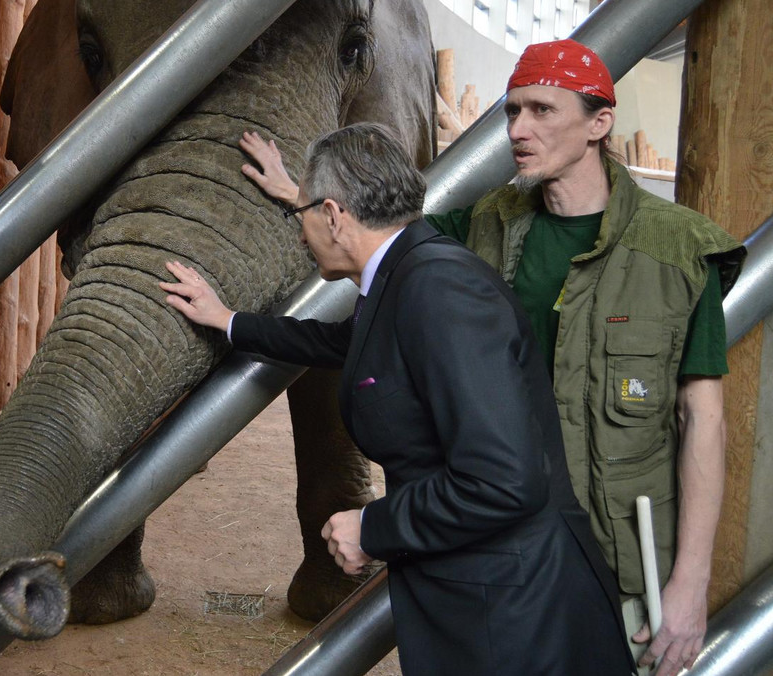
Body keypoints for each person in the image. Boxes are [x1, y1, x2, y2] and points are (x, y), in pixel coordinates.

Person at [240, 40, 745, 676]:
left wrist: (690, 586)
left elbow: (702, 421)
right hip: (510, 558)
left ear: (600, 122)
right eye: (511, 113)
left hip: (625, 556)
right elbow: (378, 233)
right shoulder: (488, 226)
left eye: (541, 110)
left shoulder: (678, 252)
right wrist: (303, 197)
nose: (517, 130)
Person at [162, 122, 633, 675]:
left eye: (302, 215)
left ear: (334, 215)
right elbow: (345, 342)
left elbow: (505, 479)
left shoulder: (440, 291)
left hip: (515, 619)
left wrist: (375, 527)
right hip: (481, 600)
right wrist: (229, 322)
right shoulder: (406, 271)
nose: (300, 232)